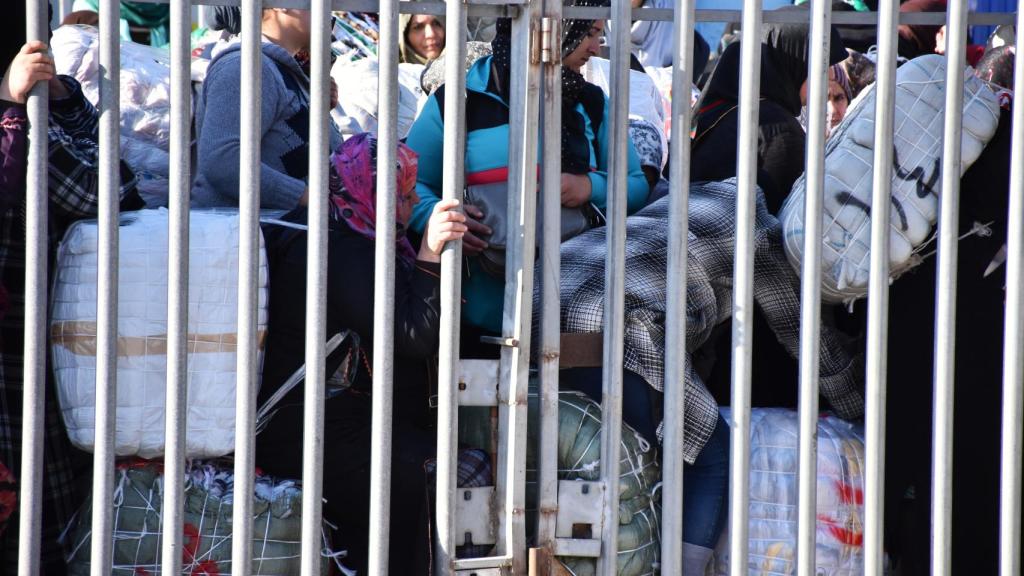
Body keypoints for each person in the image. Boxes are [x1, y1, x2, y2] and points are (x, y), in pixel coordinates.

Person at [555, 180, 864, 576]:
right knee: (709, 454)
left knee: (590, 464)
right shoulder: (757, 232)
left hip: (543, 312)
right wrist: (857, 406)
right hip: (618, 324)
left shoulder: (680, 200)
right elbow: (801, 332)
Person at [255, 133, 467, 574]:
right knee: (439, 472)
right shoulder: (344, 251)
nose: (410, 210)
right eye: (403, 197)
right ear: (370, 192)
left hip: (321, 422)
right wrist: (429, 253)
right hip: (312, 435)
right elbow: (412, 336)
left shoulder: (325, 226)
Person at [0, 4, 144, 570]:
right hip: (19, 341)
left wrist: (55, 94)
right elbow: (97, 191)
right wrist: (13, 105)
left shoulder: (29, 108)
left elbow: (114, 180)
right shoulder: (13, 118)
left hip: (34, 336)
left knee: (39, 505)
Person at [405, 5, 648, 338]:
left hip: (576, 312)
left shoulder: (591, 103)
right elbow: (408, 185)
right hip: (478, 316)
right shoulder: (460, 100)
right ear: (549, 31)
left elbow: (636, 184)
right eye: (588, 33)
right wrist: (442, 219)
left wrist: (590, 187)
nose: (595, 48)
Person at [689, 6, 848, 214]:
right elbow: (794, 221)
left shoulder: (717, 110)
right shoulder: (778, 131)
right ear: (793, 61)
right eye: (820, 66)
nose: (825, 79)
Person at [192, 7, 343, 210]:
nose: (329, 12)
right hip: (247, 234)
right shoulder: (245, 67)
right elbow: (222, 160)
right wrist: (314, 199)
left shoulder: (274, 68)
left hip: (274, 230)